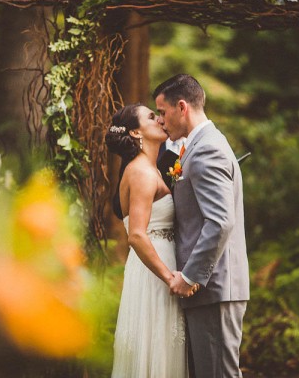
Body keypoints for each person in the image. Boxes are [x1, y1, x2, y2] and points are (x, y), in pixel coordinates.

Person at [154, 74, 250, 378]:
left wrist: (192, 274)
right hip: (210, 292)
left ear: (182, 107)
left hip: (214, 288)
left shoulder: (206, 149)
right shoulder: (198, 145)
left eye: (162, 111)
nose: (159, 120)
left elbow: (220, 221)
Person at [105, 103, 195, 377]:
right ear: (135, 132)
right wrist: (169, 277)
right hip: (154, 273)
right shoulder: (142, 173)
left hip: (154, 266)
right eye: (151, 116)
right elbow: (136, 235)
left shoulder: (150, 168)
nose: (159, 119)